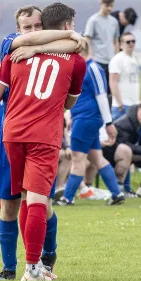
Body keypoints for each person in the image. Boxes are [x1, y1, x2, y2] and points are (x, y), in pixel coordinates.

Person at [0, 5, 85, 281]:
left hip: (16, 134)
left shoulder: (22, 55)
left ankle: (44, 259)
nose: (32, 33)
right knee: (14, 203)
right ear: (17, 31)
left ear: (47, 26)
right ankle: (14, 268)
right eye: (26, 28)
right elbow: (69, 100)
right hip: (28, 137)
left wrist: (36, 51)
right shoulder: (11, 48)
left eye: (37, 27)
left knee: (39, 202)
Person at [56, 26, 126, 206]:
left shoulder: (92, 68)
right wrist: (71, 115)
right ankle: (116, 193)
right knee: (97, 157)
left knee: (78, 158)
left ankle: (67, 198)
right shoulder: (80, 69)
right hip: (82, 118)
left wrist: (109, 122)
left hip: (87, 119)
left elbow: (101, 96)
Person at [102, 103, 141, 197]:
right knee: (127, 153)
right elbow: (123, 143)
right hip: (113, 153)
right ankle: (125, 188)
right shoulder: (124, 123)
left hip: (130, 151)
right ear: (136, 113)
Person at [84, 0, 120, 97]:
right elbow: (87, 39)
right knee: (99, 90)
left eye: (111, 6)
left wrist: (117, 57)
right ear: (101, 4)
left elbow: (115, 41)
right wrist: (91, 55)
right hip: (98, 60)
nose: (109, 8)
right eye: (107, 5)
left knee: (111, 90)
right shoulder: (93, 20)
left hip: (111, 61)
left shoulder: (114, 22)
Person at [109, 32, 141, 120]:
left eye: (133, 41)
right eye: (128, 42)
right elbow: (113, 82)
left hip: (134, 104)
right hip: (122, 105)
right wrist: (120, 103)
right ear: (121, 44)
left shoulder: (134, 58)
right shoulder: (117, 59)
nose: (131, 44)